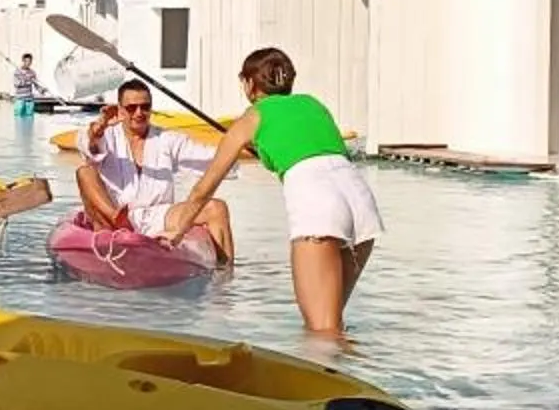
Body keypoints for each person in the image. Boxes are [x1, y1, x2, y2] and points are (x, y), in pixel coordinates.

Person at [160, 46, 379, 342]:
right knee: (333, 325)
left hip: (320, 205)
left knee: (322, 334)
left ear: (250, 83)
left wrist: (176, 232)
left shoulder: (251, 118)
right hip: (361, 202)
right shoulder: (313, 104)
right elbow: (308, 148)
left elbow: (205, 187)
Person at [75, 79, 234, 267]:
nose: (139, 113)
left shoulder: (167, 139)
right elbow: (88, 146)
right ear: (120, 110)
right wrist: (100, 126)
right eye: (131, 108)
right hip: (112, 218)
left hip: (158, 216)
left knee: (217, 208)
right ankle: (116, 220)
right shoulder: (106, 135)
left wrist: (238, 144)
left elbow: (211, 159)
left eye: (145, 107)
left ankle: (226, 273)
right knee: (84, 171)